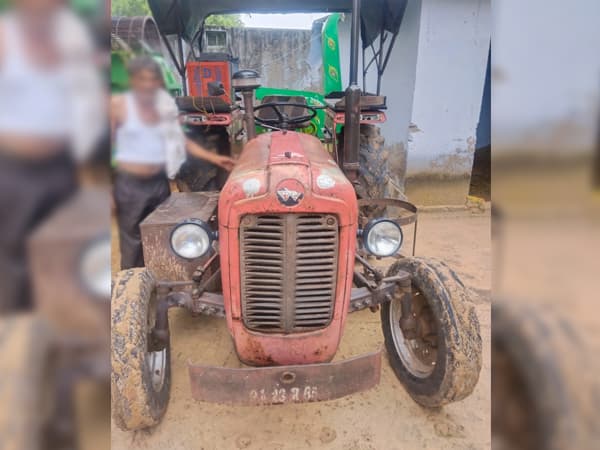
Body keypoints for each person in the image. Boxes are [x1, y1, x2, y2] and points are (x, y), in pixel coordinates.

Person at [0, 0, 104, 312]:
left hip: (62, 168)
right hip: (13, 173)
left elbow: (84, 96)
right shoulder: (5, 37)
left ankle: (61, 326)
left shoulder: (72, 37)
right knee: (15, 256)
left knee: (67, 252)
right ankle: (17, 330)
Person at [112, 56, 234, 270]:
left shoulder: (163, 107)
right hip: (130, 185)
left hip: (159, 183)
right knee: (132, 242)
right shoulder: (118, 106)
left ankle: (162, 285)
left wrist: (215, 158)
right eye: (143, 79)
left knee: (165, 235)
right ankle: (132, 289)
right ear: (133, 81)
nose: (148, 84)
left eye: (153, 79)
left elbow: (180, 139)